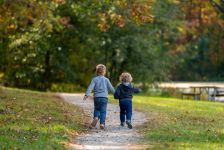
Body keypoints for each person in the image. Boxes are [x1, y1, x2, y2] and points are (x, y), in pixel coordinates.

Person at [83, 64, 115, 129]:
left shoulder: (94, 79)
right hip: (104, 98)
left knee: (97, 109)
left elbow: (90, 87)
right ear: (104, 72)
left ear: (97, 72)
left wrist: (87, 95)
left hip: (97, 98)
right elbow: (111, 88)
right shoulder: (106, 80)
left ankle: (96, 117)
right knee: (103, 111)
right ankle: (102, 124)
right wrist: (116, 94)